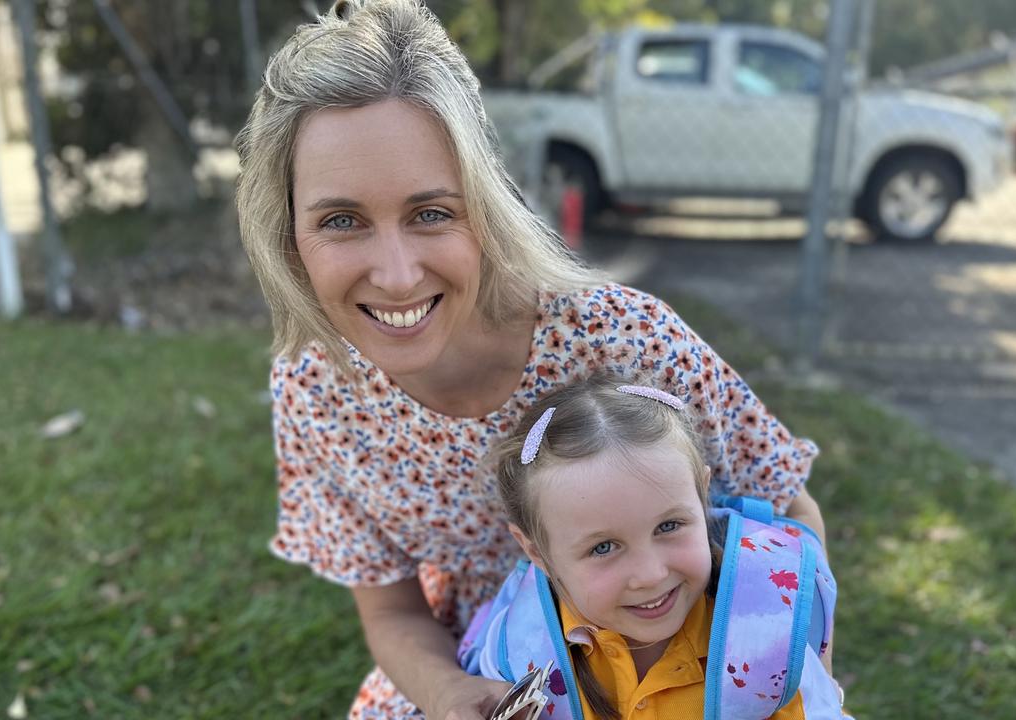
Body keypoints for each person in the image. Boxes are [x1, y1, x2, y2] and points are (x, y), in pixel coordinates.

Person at [234, 0, 828, 717]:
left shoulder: (625, 339)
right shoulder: (312, 390)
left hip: (689, 659)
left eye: (431, 212)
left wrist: (792, 680)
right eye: (340, 221)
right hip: (481, 662)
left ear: (483, 205)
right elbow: (390, 611)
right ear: (287, 234)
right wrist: (453, 694)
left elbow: (790, 508)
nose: (395, 275)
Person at [461, 374, 843, 719]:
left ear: (702, 496)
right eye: (604, 547)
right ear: (538, 555)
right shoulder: (516, 653)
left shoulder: (765, 637)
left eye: (669, 525)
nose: (650, 575)